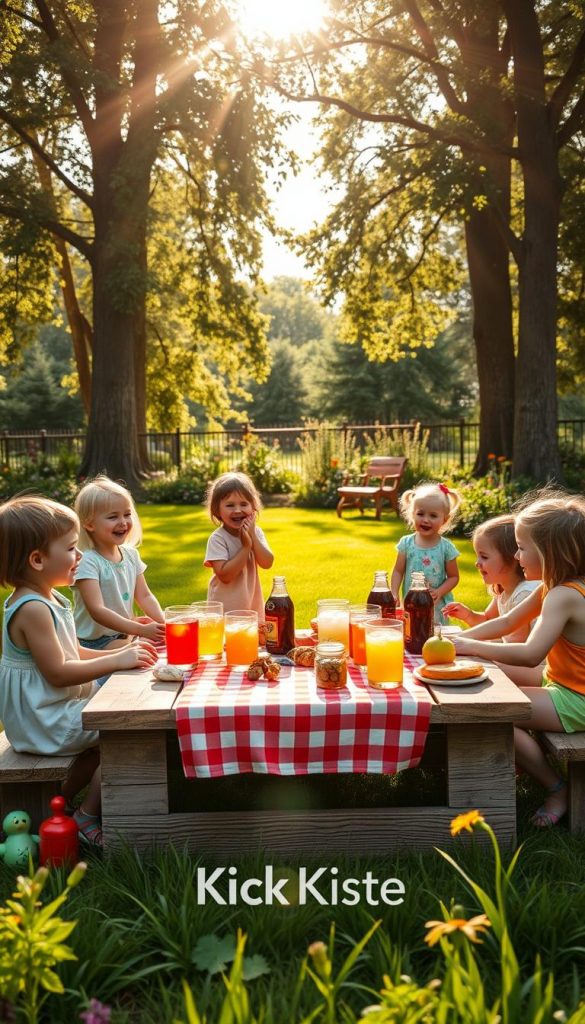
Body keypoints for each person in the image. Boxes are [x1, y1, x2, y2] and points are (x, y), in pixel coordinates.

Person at [0, 495, 157, 846]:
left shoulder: (50, 599)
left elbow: (71, 651)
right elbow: (57, 671)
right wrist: (115, 660)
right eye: (71, 549)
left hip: (49, 711)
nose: (81, 556)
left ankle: (53, 808)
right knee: (126, 734)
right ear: (37, 559)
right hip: (43, 720)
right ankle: (87, 817)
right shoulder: (33, 609)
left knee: (103, 738)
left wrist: (124, 651)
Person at [453, 494, 585, 828]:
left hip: (577, 700)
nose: (515, 555)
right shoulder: (556, 586)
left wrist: (470, 647)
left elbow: (529, 655)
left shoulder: (564, 595)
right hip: (564, 685)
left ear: (550, 552)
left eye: (522, 547)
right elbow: (507, 623)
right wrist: (460, 641)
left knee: (494, 711)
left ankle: (557, 788)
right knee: (487, 683)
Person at [73, 476, 165, 662]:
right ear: (89, 524)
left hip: (124, 634)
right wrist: (140, 630)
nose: (123, 522)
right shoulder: (88, 561)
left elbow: (145, 596)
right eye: (113, 516)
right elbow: (97, 611)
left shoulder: (130, 555)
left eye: (127, 514)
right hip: (94, 645)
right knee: (144, 659)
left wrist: (164, 624)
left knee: (159, 652)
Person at [443, 514, 540, 642]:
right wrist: (468, 615)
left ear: (512, 558)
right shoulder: (502, 590)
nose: (477, 563)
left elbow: (514, 645)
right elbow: (489, 622)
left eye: (484, 557)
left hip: (527, 660)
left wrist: (468, 644)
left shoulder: (524, 593)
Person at [204, 471, 274, 618]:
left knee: (252, 640)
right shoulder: (218, 539)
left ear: (253, 508)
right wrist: (246, 547)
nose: (237, 510)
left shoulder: (256, 533)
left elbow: (267, 562)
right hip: (224, 611)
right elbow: (225, 575)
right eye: (230, 505)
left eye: (244, 504)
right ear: (217, 511)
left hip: (251, 607)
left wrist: (253, 537)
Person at [390, 481, 461, 624]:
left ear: (444, 520)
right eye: (420, 514)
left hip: (435, 606)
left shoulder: (446, 547)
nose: (426, 520)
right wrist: (394, 592)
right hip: (411, 604)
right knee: (412, 634)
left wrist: (440, 592)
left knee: (434, 638)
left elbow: (453, 577)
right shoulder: (406, 543)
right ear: (412, 514)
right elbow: (398, 571)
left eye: (433, 516)